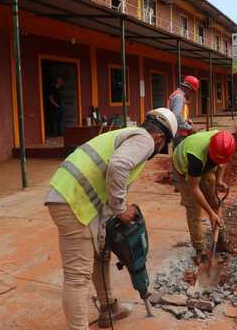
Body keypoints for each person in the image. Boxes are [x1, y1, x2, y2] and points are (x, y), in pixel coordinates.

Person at [45, 108, 178, 329]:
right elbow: (118, 166)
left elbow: (107, 181)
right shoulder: (145, 140)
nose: (160, 149)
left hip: (72, 196)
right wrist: (120, 209)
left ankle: (109, 308)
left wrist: (104, 230)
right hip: (72, 200)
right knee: (77, 276)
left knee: (100, 256)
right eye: (163, 145)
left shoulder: (129, 134)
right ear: (160, 137)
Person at [173, 130, 237, 264]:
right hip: (184, 168)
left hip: (206, 165)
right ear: (210, 149)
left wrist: (219, 180)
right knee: (194, 209)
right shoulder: (195, 157)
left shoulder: (224, 143)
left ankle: (221, 243)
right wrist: (210, 213)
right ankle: (200, 250)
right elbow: (194, 188)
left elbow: (222, 163)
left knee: (215, 203)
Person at [168, 75, 200, 146]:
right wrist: (190, 128)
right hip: (179, 134)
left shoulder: (178, 95)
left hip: (180, 132)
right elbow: (177, 116)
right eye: (192, 91)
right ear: (188, 88)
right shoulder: (179, 97)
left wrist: (188, 121)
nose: (192, 94)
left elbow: (181, 114)